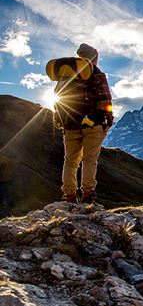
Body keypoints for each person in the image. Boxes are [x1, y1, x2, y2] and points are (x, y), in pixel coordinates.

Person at [54, 43, 114, 204]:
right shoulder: (96, 73)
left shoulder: (66, 75)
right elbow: (105, 98)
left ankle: (69, 195)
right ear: (94, 58)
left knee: (70, 161)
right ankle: (88, 195)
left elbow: (58, 99)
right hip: (93, 124)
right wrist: (109, 119)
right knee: (89, 160)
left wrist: (59, 120)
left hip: (70, 125)